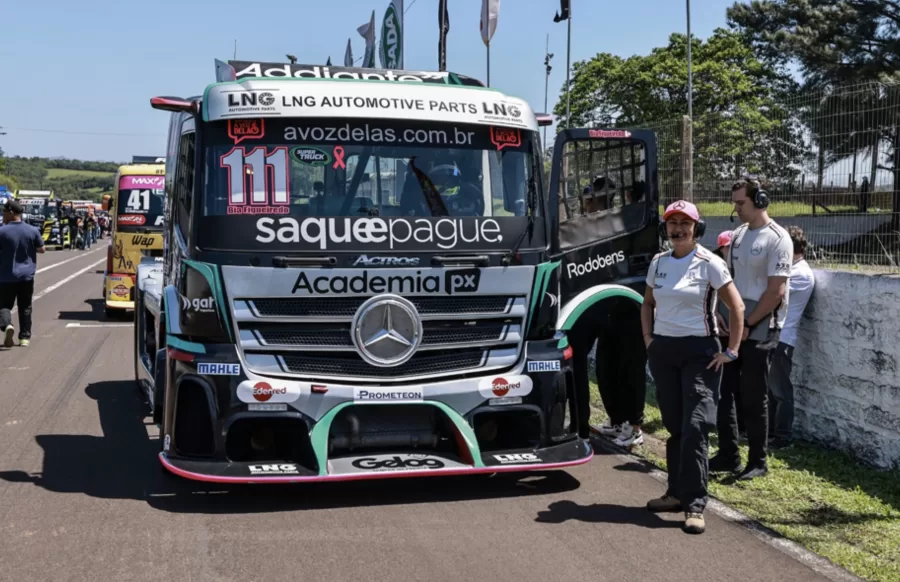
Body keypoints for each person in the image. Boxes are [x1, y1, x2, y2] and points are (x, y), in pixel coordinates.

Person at [642, 200, 745, 535]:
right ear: (666, 228)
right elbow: (647, 303)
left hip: (700, 352)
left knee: (695, 426)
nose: (678, 229)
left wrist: (731, 351)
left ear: (696, 229)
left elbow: (737, 306)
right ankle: (675, 493)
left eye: (685, 223)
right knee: (675, 425)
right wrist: (649, 340)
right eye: (672, 223)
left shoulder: (710, 263)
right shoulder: (658, 262)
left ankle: (695, 504)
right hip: (664, 349)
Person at [710, 178, 794, 481]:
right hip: (735, 323)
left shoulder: (778, 238)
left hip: (761, 326)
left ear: (760, 200)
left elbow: (776, 292)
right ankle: (728, 455)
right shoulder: (738, 235)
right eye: (735, 202)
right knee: (724, 390)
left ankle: (758, 461)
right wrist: (721, 315)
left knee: (754, 394)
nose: (736, 208)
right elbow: (727, 280)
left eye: (741, 202)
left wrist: (748, 324)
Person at [768, 226, 815, 448]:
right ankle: (770, 433)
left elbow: (773, 293)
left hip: (783, 337)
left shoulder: (800, 273)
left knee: (781, 390)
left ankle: (783, 436)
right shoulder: (790, 270)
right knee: (770, 388)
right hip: (775, 335)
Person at [0, 199, 46, 347]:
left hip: (6, 276)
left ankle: (7, 325)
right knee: (25, 306)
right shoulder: (32, 230)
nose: (2, 214)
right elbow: (42, 249)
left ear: (11, 213)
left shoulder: (2, 231)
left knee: (4, 305)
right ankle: (24, 337)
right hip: (26, 276)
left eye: (4, 211)